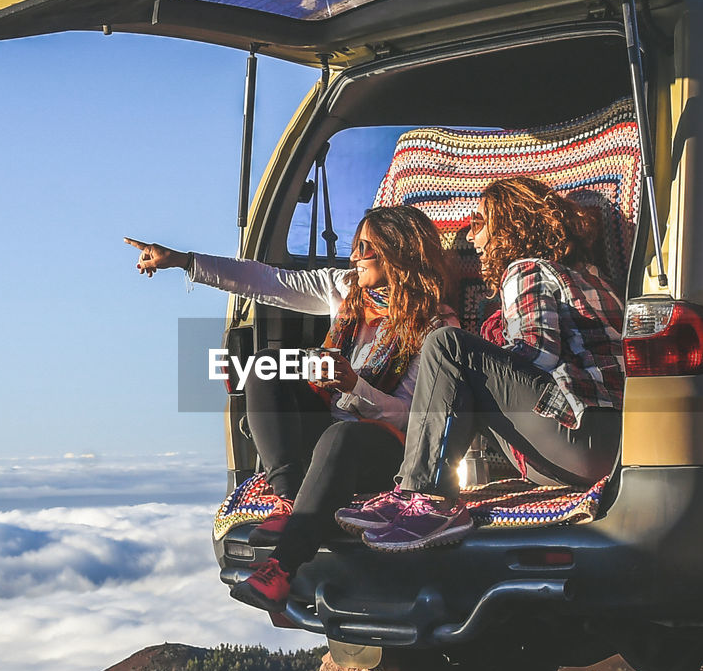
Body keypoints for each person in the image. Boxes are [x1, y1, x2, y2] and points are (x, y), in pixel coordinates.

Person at [125, 205, 457, 611]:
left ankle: (282, 567)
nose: (353, 256)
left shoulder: (436, 327)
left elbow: (414, 417)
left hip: (386, 446)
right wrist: (183, 261)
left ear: (394, 252)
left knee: (342, 435)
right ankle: (290, 497)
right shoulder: (345, 289)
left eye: (364, 247)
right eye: (354, 245)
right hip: (331, 427)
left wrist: (355, 387)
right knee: (265, 367)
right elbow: (267, 281)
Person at [337, 176, 625, 552]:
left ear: (510, 223)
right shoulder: (588, 276)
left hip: (583, 434)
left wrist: (475, 363)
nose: (472, 239)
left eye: (478, 223)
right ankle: (413, 495)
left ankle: (428, 498)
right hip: (584, 451)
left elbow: (537, 356)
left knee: (447, 345)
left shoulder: (527, 270)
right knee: (456, 360)